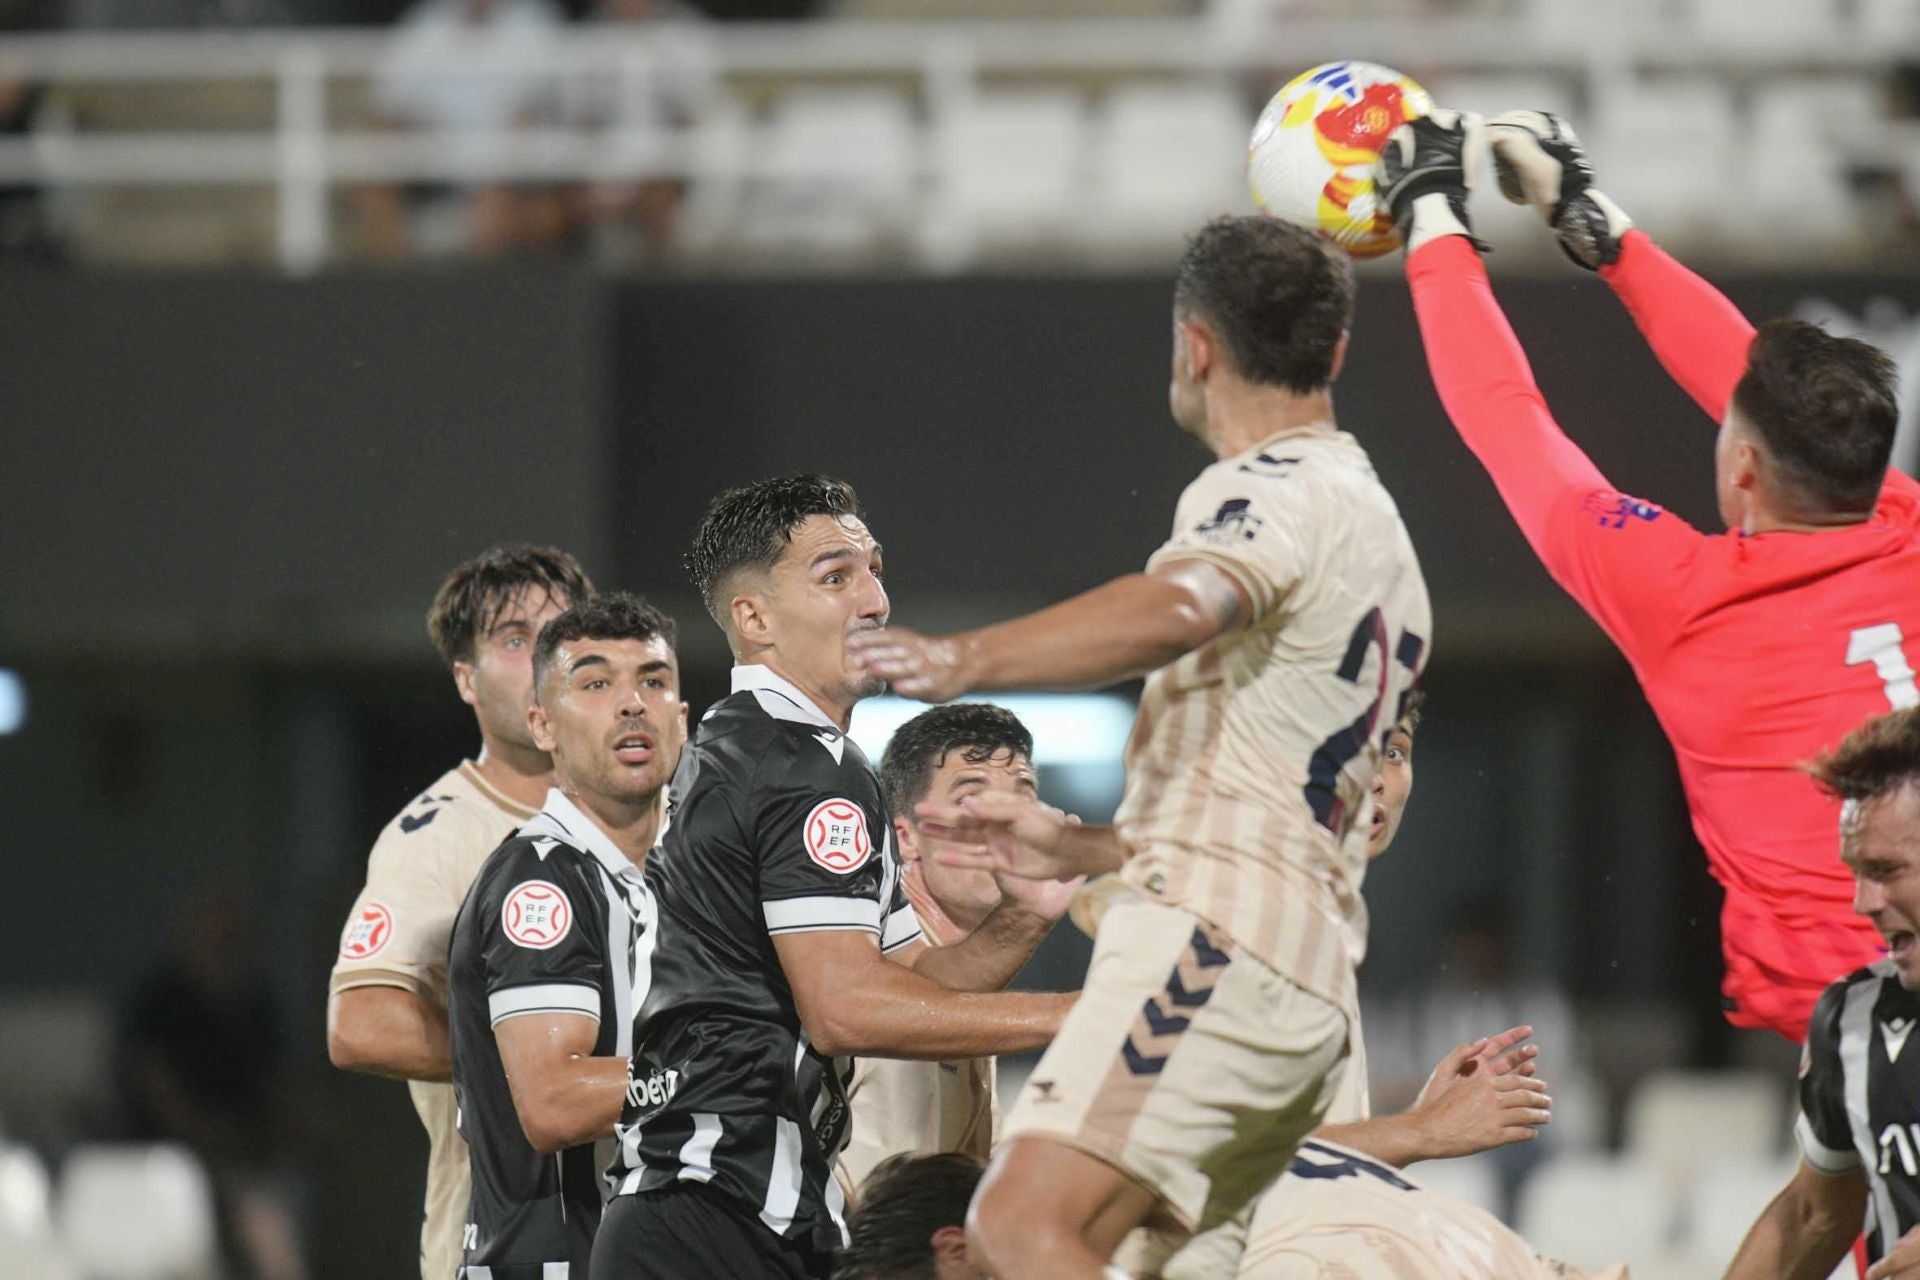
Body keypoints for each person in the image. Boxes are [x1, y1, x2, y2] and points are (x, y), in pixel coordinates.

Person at [849, 216, 1431, 1279]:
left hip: (1216, 948)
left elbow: (1184, 603)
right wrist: (1077, 849)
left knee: (1019, 1227)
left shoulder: (1269, 488)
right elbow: (1269, 809)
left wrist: (966, 657)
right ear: (1337, 350)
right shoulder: (1379, 528)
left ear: (1194, 347)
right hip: (1302, 973)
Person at [1373, 107, 1920, 1044]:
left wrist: (1431, 219)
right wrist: (1600, 228)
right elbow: (1764, 390)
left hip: (1855, 1027)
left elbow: (1507, 418)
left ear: (1741, 467)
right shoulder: (1900, 518)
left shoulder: (1682, 595)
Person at [590, 476, 1077, 1280]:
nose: (876, 601)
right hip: (722, 1212)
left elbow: (917, 976)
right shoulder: (799, 762)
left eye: (874, 571)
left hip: (713, 1209)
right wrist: (1085, 1014)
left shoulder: (754, 746)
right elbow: (845, 1010)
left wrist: (1023, 917)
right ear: (755, 618)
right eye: (835, 577)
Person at [326, 544, 591, 1280]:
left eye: (561, 633)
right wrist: (538, 1061)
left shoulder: (656, 808)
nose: (545, 657)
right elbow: (360, 1022)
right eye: (515, 639)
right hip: (501, 1242)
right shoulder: (438, 833)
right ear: (466, 678)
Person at [446, 592, 685, 1277]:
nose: (632, 703)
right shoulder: (541, 880)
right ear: (542, 725)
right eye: (596, 684)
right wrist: (722, 1073)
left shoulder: (695, 877)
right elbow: (554, 1100)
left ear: (682, 720)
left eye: (653, 681)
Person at [837, 702, 1081, 1198]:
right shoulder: (855, 963)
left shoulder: (967, 989)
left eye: (1022, 796)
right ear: (907, 838)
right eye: (973, 799)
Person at [1723, 707, 1920, 1278]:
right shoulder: (1852, 1021)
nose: (1863, 902)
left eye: (1885, 870)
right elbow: (1814, 1216)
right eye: (1856, 872)